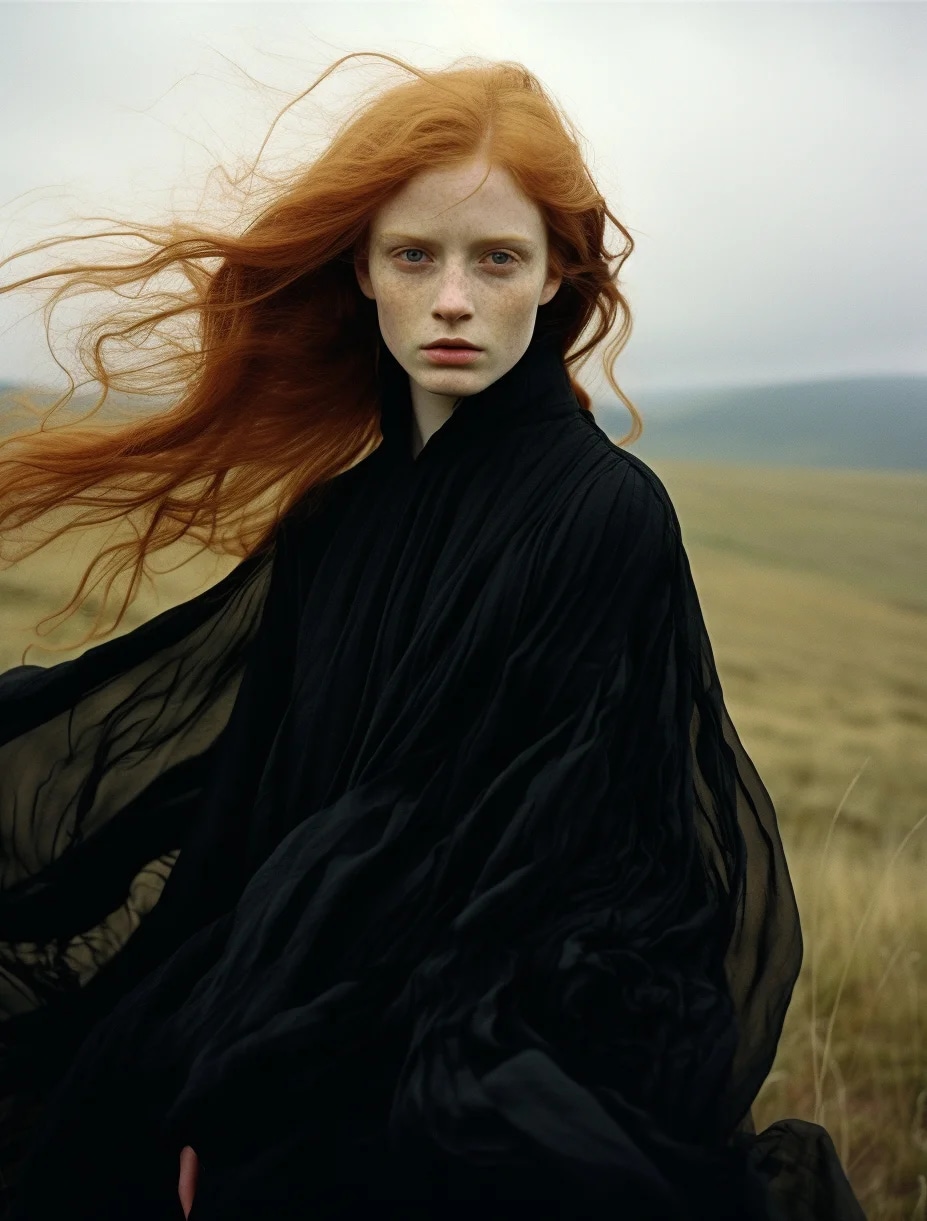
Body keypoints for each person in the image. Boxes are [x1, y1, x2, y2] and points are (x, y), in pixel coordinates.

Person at [0, 52, 867, 1220]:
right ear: (364, 267)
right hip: (306, 986)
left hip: (508, 1001)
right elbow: (248, 798)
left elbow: (481, 848)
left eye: (496, 258)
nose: (452, 299)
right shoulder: (338, 523)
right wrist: (200, 1052)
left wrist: (252, 1075)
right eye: (416, 255)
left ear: (557, 273)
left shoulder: (604, 515)